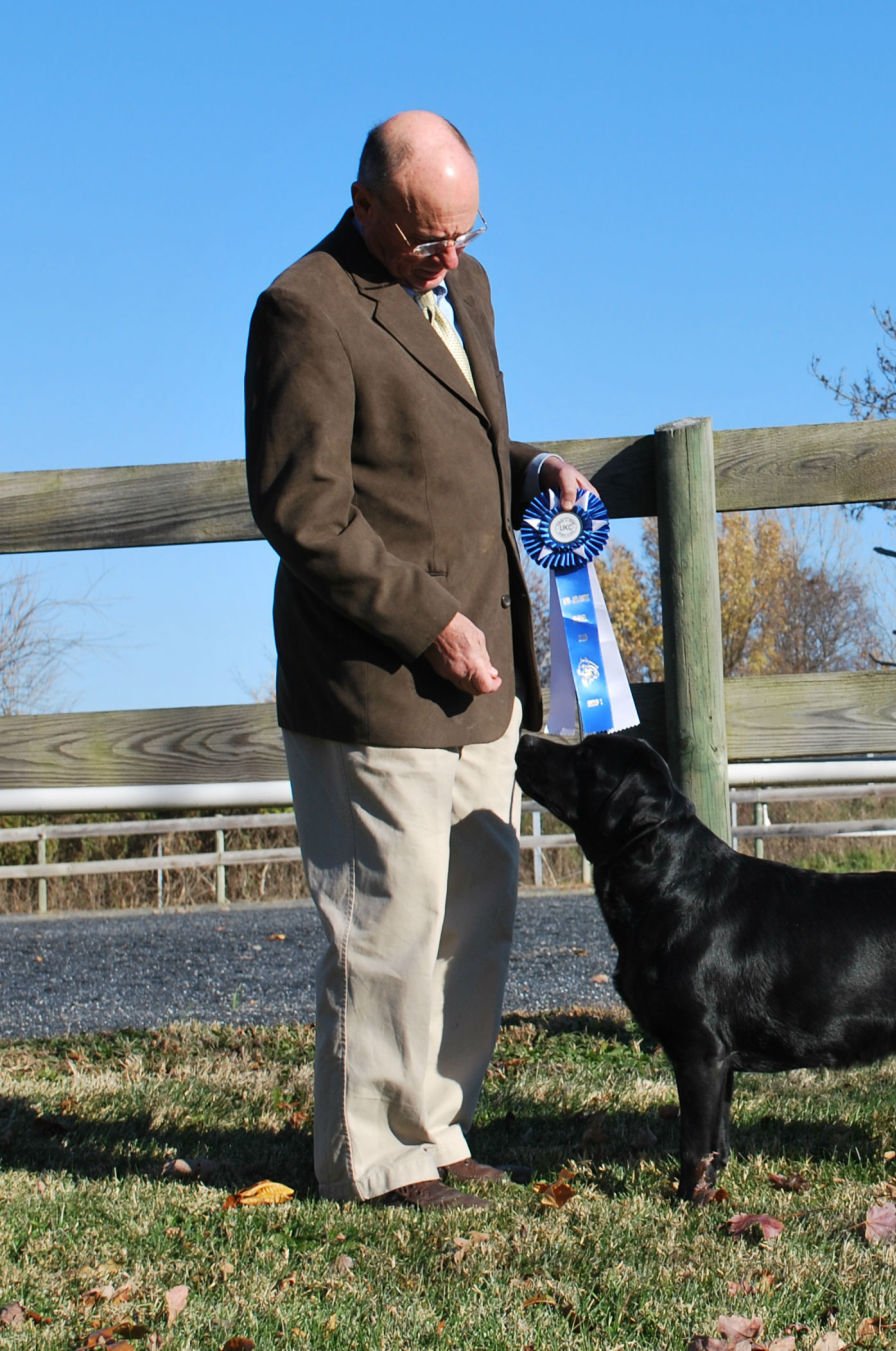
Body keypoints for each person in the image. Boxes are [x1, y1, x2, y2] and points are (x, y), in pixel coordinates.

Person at [245, 110, 591, 1210]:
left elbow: (461, 442)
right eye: (426, 237)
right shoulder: (302, 308)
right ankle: (370, 1155)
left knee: (471, 918)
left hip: (483, 687)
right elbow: (305, 511)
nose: (449, 256)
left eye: (465, 231)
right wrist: (427, 620)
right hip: (376, 683)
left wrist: (533, 467)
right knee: (386, 925)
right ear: (365, 206)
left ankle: (437, 1128)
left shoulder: (467, 286)